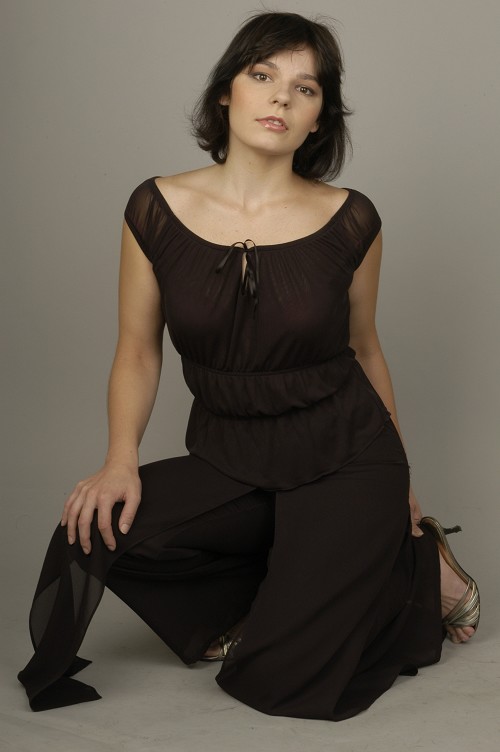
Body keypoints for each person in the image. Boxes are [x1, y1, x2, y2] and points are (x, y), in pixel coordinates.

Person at [18, 11, 479, 720]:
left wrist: (403, 482)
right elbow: (137, 349)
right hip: (230, 454)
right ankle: (306, 580)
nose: (281, 97)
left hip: (346, 453)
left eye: (306, 88)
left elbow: (364, 347)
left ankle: (416, 559)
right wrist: (118, 460)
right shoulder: (154, 207)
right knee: (93, 532)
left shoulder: (352, 218)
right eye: (263, 75)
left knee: (274, 682)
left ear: (319, 119)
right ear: (225, 93)